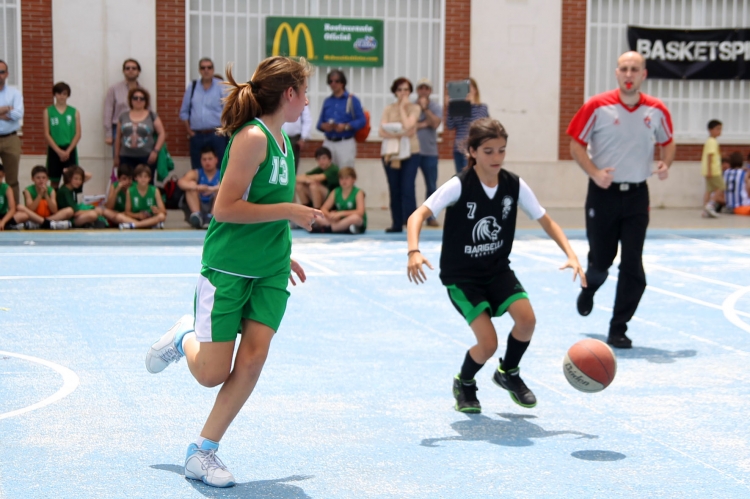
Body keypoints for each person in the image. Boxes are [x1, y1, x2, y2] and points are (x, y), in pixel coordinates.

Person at [142, 55, 322, 488]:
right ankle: (184, 336)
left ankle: (203, 451)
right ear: (289, 93)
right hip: (228, 268)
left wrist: (282, 252)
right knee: (211, 374)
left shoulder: (283, 140)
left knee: (254, 358)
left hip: (270, 269)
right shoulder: (252, 138)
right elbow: (224, 208)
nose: (307, 100)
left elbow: (265, 205)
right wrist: (291, 211)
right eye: (304, 92)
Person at [406, 118, 585, 413]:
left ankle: (508, 372)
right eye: (488, 151)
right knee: (488, 344)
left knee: (527, 321)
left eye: (501, 150)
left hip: (497, 269)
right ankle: (464, 382)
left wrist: (571, 254)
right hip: (462, 278)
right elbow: (417, 215)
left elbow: (546, 220)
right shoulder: (459, 185)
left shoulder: (513, 185)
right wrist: (413, 250)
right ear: (473, 151)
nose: (496, 157)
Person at [568, 51, 674, 349]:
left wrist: (666, 164)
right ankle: (591, 286)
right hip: (603, 195)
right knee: (602, 259)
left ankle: (618, 327)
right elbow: (576, 144)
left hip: (638, 196)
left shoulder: (657, 109)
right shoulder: (596, 106)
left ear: (643, 74)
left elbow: (668, 142)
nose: (629, 74)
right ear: (617, 73)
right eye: (624, 69)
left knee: (632, 264)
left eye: (635, 69)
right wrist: (594, 173)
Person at [379, 77, 421, 233]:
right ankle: (396, 224)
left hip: (411, 153)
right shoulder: (388, 109)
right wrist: (401, 134)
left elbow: (409, 125)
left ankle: (411, 224)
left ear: (410, 91)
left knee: (408, 188)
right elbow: (381, 130)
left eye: (406, 89)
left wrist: (403, 108)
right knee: (394, 188)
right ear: (395, 91)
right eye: (399, 89)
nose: (403, 93)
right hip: (391, 153)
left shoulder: (415, 108)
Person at [179, 57, 229, 170]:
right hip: (197, 135)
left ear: (213, 70)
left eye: (209, 67)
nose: (206, 70)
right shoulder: (192, 87)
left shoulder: (221, 86)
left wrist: (223, 129)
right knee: (197, 168)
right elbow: (184, 111)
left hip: (216, 135)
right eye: (203, 68)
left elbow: (228, 111)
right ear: (199, 70)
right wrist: (189, 131)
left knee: (220, 168)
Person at [114, 88, 166, 184]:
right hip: (126, 157)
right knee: (126, 184)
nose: (138, 100)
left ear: (146, 101)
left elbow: (162, 133)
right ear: (131, 100)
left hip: (146, 158)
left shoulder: (152, 116)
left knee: (145, 184)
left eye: (142, 98)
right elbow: (118, 137)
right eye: (135, 98)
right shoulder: (123, 116)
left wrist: (155, 151)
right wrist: (116, 156)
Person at [316, 69, 366, 168]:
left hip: (345, 142)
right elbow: (319, 124)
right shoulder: (327, 101)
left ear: (342, 82)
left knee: (345, 172)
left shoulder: (352, 100)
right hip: (329, 142)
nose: (333, 84)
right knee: (327, 171)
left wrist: (346, 126)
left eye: (336, 81)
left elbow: (362, 120)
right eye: (330, 81)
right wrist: (324, 126)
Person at [415, 78, 443, 227]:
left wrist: (425, 109)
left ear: (430, 91)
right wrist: (425, 123)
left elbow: (436, 123)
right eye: (421, 88)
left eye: (426, 88)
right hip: (413, 152)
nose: (424, 91)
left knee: (431, 186)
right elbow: (409, 126)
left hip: (430, 152)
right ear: (417, 90)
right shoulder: (411, 106)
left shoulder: (435, 107)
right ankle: (412, 216)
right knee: (408, 186)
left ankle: (431, 217)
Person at [446, 77, 489, 173]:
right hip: (458, 149)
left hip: (473, 149)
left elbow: (477, 124)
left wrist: (470, 104)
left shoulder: (482, 107)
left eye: (469, 87)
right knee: (461, 178)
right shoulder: (457, 108)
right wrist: (450, 107)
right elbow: (450, 125)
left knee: (472, 177)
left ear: (475, 90)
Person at [44, 82, 82, 189]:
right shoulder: (48, 111)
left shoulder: (74, 112)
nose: (61, 96)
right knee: (54, 181)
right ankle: (54, 199)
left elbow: (78, 134)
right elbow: (46, 134)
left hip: (69, 150)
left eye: (64, 94)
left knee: (71, 181)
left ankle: (69, 199)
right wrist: (58, 151)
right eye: (59, 93)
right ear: (54, 94)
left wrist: (68, 151)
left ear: (68, 95)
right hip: (55, 149)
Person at [104, 59, 145, 150]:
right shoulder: (114, 89)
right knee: (118, 156)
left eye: (134, 68)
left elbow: (148, 111)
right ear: (123, 71)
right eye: (127, 68)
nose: (130, 70)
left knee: (138, 156)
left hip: (139, 127)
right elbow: (108, 111)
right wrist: (108, 134)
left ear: (138, 71)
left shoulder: (143, 91)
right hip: (119, 129)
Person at [178, 145, 220, 229]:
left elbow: (233, 187)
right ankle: (197, 215)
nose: (207, 162)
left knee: (221, 189)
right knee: (191, 184)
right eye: (204, 159)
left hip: (214, 205)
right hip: (199, 203)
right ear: (201, 161)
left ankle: (211, 217)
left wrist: (212, 189)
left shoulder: (222, 173)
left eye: (210, 159)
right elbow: (181, 182)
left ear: (216, 160)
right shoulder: (196, 173)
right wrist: (197, 187)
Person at [315, 167, 367, 234]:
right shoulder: (336, 191)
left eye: (347, 178)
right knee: (317, 216)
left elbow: (360, 212)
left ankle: (330, 229)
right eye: (341, 178)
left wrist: (341, 213)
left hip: (350, 220)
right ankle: (340, 228)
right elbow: (323, 208)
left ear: (354, 179)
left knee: (356, 218)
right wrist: (330, 216)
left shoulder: (358, 192)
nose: (344, 181)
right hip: (339, 220)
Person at [0, 59, 24, 203]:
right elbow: (12, 113)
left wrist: (6, 112)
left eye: (2, 72)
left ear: (7, 74)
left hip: (11, 139)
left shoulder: (14, 93)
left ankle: (14, 211)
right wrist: (6, 109)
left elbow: (18, 114)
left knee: (12, 179)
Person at [120, 164, 167, 229]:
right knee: (120, 216)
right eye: (140, 176)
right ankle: (146, 224)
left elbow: (164, 211)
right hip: (136, 218)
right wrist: (138, 215)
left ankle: (136, 225)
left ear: (149, 178)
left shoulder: (155, 190)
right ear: (135, 178)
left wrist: (157, 211)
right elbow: (127, 212)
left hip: (150, 218)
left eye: (145, 177)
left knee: (162, 216)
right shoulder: (130, 191)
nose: (143, 179)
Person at [701, 120, 725, 218]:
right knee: (722, 187)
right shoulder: (712, 141)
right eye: (717, 129)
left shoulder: (710, 141)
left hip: (708, 170)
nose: (719, 131)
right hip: (714, 171)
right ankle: (710, 206)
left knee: (709, 190)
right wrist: (710, 170)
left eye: (720, 129)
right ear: (710, 130)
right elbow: (710, 156)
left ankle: (705, 211)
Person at [281, 104, 311, 172]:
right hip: (278, 136)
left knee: (293, 164)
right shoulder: (277, 99)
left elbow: (307, 120)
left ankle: (292, 178)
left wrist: (303, 138)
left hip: (294, 138)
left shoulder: (300, 100)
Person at [0, 164, 19, 230]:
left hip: (3, 215)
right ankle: (8, 226)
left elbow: (12, 209)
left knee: (23, 215)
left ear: (3, 175)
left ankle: (5, 225)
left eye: (0, 177)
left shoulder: (7, 188)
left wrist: (3, 222)